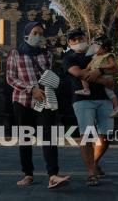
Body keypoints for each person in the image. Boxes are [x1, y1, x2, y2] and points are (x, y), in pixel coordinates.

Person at [6, 22, 70, 189]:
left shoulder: (46, 54)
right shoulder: (15, 53)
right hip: (22, 100)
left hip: (43, 99)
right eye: (35, 32)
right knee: (25, 138)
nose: (38, 36)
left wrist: (43, 89)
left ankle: (53, 175)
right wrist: (30, 88)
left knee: (48, 136)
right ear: (27, 34)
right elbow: (11, 78)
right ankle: (28, 174)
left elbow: (48, 75)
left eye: (41, 33)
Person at [63, 28, 117, 186]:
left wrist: (100, 70)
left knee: (106, 135)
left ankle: (94, 162)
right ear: (69, 43)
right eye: (73, 39)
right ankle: (91, 172)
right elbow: (80, 74)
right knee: (86, 134)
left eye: (80, 37)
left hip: (104, 98)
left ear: (86, 38)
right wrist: (104, 81)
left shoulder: (99, 53)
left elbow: (115, 67)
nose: (78, 41)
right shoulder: (68, 57)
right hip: (82, 98)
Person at [75, 35, 118, 118]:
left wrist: (102, 68)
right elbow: (90, 65)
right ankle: (86, 90)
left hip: (106, 76)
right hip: (97, 75)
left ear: (105, 48)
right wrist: (85, 70)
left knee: (110, 93)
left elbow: (113, 65)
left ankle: (117, 107)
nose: (95, 49)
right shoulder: (95, 56)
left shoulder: (108, 55)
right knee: (83, 76)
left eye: (97, 47)